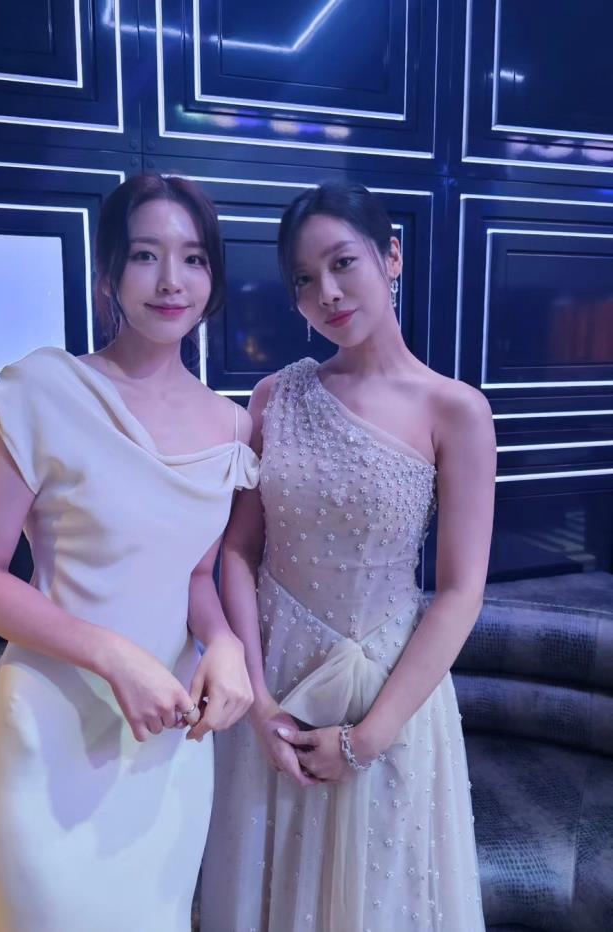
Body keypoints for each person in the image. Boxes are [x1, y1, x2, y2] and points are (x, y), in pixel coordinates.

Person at [0, 174, 259, 931]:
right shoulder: (46, 389)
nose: (171, 280)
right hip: (49, 732)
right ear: (109, 274)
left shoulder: (231, 426)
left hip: (167, 745)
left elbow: (195, 574)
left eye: (193, 258)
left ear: (213, 278)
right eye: (146, 255)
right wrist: (116, 656)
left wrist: (223, 643)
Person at [201, 182, 495, 931]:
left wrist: (369, 739)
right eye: (304, 279)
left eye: (342, 263)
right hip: (274, 689)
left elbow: (461, 591)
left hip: (387, 696)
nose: (326, 293)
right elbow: (237, 551)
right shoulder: (274, 396)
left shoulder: (456, 410)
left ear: (391, 256)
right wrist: (259, 702)